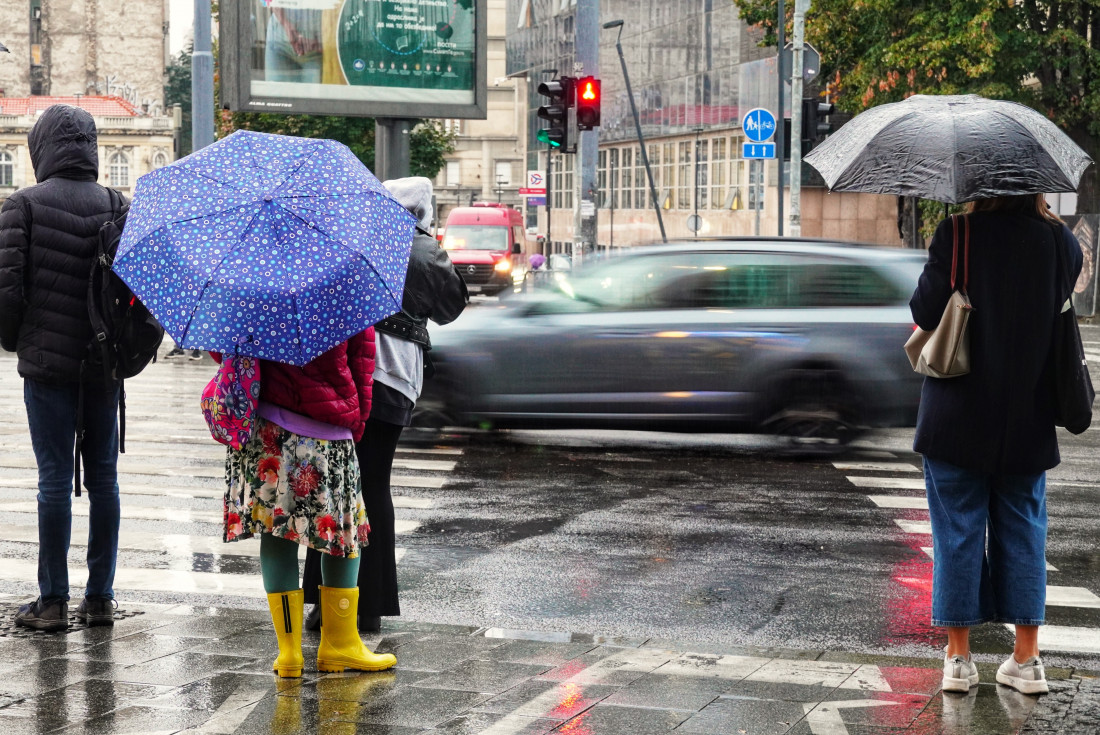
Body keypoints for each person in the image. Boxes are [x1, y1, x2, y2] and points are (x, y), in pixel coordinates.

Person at [910, 193, 1081, 696]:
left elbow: (923, 309)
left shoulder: (957, 234)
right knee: (1026, 530)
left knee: (957, 533)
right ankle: (1026, 661)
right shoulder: (1060, 241)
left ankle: (958, 660)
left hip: (956, 417)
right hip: (1027, 417)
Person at [302, 176, 468, 632]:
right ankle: (368, 605)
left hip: (345, 373)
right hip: (394, 377)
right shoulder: (424, 250)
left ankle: (322, 602)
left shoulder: (354, 235)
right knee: (374, 484)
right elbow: (452, 306)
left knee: (334, 483)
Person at [0, 105, 125, 631]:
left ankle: (52, 600)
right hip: (102, 367)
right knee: (104, 479)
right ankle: (100, 599)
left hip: (47, 367)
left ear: (41, 147)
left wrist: (16, 341)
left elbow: (7, 291)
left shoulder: (22, 205)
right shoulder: (118, 204)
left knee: (53, 479)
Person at [221, 327, 396, 676]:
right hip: (328, 427)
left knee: (276, 532)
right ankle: (340, 644)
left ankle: (289, 654)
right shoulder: (344, 281)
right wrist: (356, 424)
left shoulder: (255, 280)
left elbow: (223, 351)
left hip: (268, 425)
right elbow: (362, 363)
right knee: (342, 534)